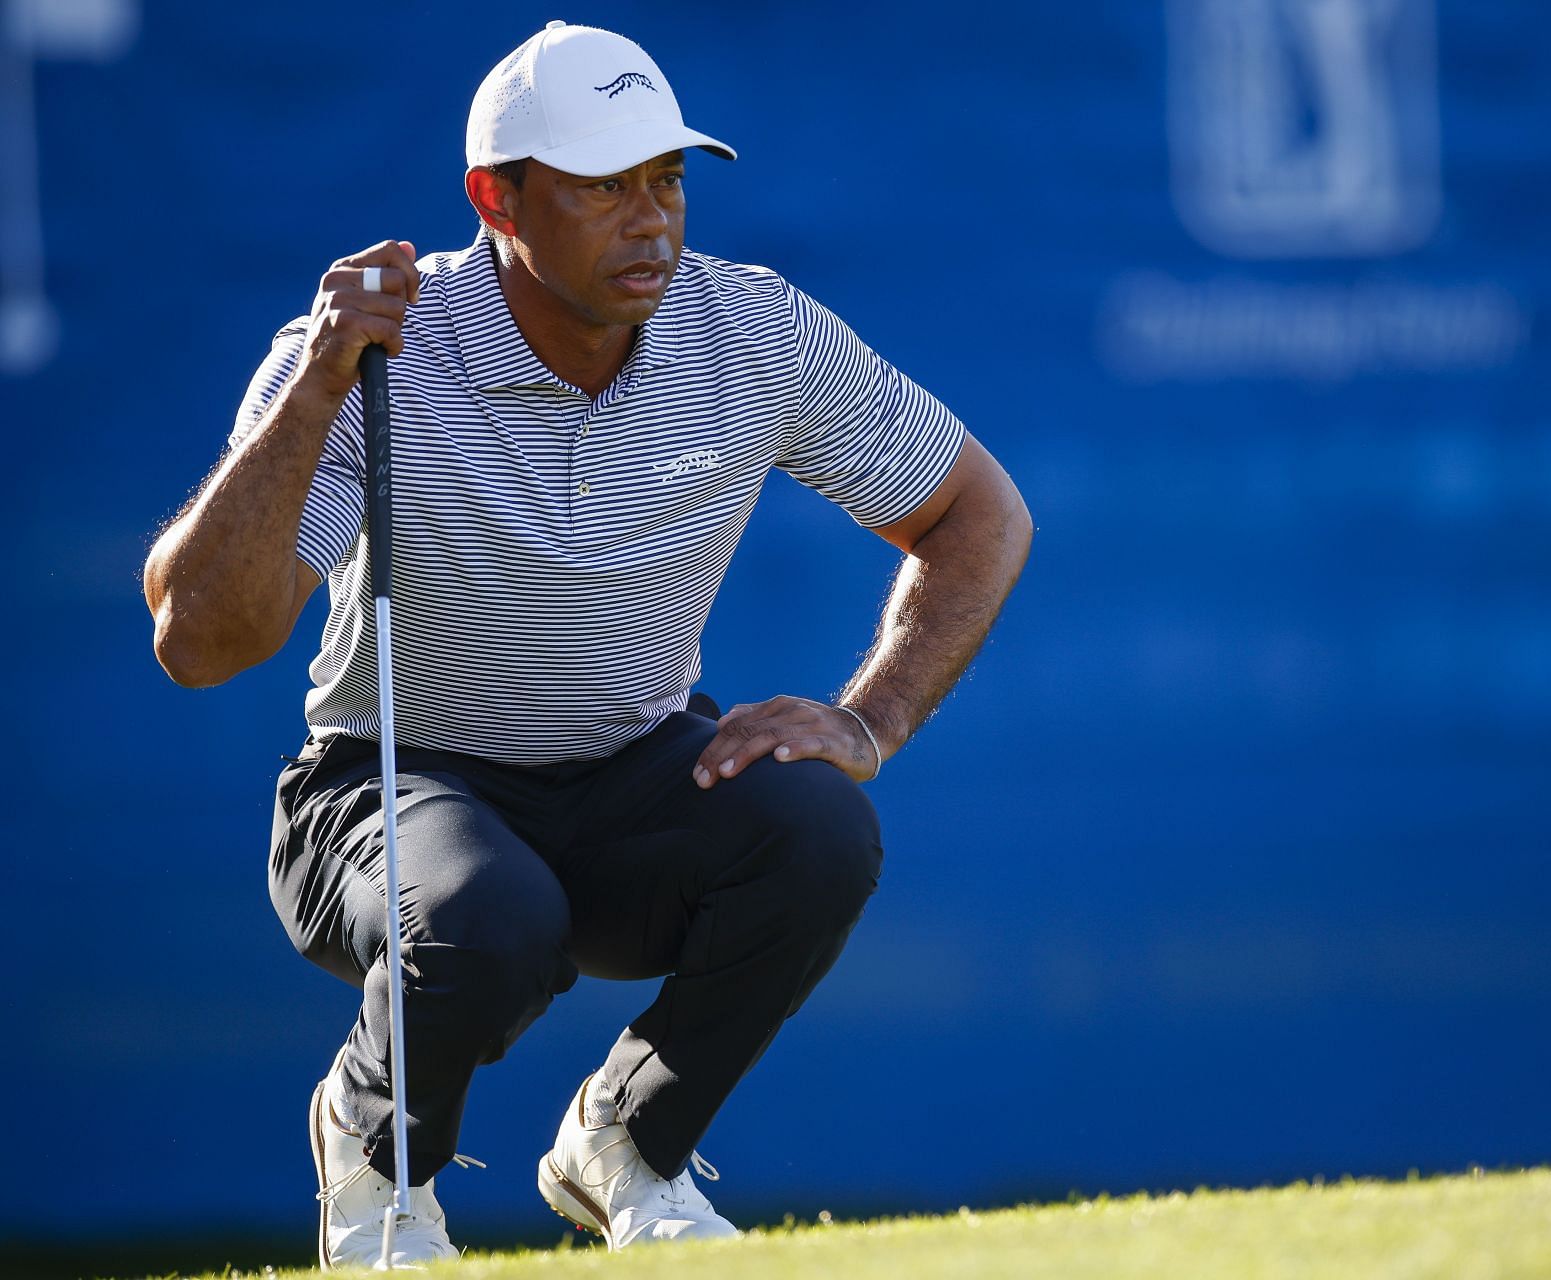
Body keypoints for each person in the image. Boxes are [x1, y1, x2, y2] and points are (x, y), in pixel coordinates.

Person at [141, 21, 1031, 1268]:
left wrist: (868, 716)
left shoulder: (752, 331)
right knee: (488, 911)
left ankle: (628, 1143)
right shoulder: (374, 362)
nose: (652, 220)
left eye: (665, 180)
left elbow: (978, 513)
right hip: (389, 780)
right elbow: (198, 640)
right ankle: (378, 1159)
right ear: (495, 198)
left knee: (819, 825)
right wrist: (315, 389)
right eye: (603, 186)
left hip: (625, 770)